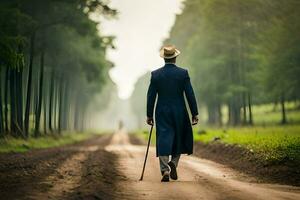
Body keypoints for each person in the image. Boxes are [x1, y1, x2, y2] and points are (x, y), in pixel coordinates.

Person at [146, 44, 199, 182]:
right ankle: (174, 163)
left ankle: (164, 170)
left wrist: (149, 115)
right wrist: (194, 112)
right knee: (179, 137)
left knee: (164, 137)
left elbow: (151, 96)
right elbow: (190, 94)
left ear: (164, 59)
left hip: (162, 111)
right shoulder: (183, 73)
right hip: (179, 110)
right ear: (175, 58)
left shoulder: (156, 75)